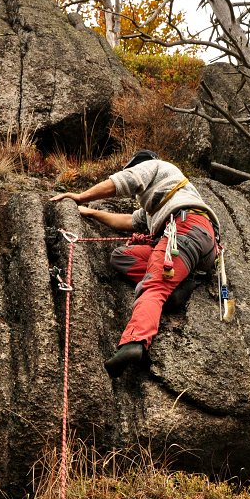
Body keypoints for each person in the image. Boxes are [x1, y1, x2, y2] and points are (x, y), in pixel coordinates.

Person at [50, 150, 219, 375]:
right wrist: (90, 212)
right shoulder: (157, 203)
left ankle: (135, 342)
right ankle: (179, 286)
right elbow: (128, 221)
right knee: (122, 256)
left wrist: (81, 196)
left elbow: (124, 181)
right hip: (198, 241)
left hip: (184, 231)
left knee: (153, 287)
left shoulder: (158, 167)